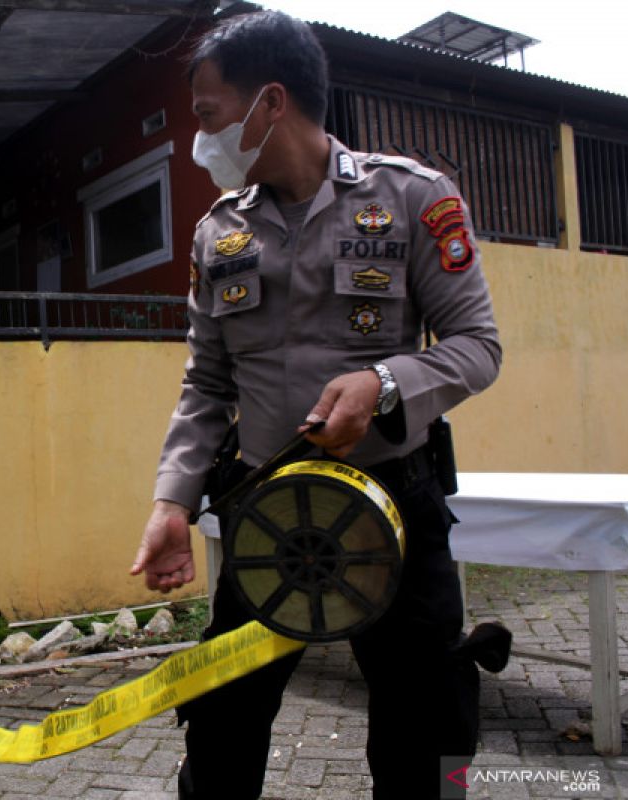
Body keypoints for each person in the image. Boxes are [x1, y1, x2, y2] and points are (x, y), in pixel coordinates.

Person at [128, 11, 503, 799]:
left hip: (396, 508)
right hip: (267, 518)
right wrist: (172, 501)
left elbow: (477, 346)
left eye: (206, 114)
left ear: (269, 103)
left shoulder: (411, 198)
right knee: (222, 726)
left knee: (424, 735)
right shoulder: (218, 235)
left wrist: (386, 383)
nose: (200, 138)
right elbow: (206, 386)